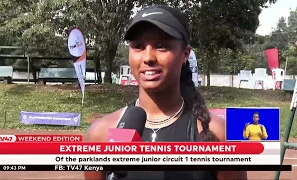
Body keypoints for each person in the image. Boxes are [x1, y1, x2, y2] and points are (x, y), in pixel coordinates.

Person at [84, 5, 247, 180]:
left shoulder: (218, 133)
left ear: (185, 54)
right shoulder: (100, 134)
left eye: (161, 46)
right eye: (138, 46)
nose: (148, 57)